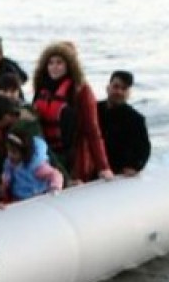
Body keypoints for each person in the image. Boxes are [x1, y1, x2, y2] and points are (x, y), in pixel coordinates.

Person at [32, 41, 114, 184]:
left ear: (69, 65)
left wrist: (103, 166)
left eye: (59, 63)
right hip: (46, 156)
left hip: (73, 156)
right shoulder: (42, 87)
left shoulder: (81, 90)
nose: (54, 67)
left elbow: (92, 129)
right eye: (50, 63)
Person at [97, 70, 151, 176]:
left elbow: (144, 149)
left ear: (129, 93)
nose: (119, 92)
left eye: (124, 89)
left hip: (118, 174)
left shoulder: (136, 119)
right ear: (108, 88)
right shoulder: (93, 110)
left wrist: (135, 166)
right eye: (116, 87)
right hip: (93, 171)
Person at [1, 126, 64, 202]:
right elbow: (7, 175)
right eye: (8, 151)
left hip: (36, 199)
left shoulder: (37, 167)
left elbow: (55, 174)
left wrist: (54, 188)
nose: (10, 155)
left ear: (24, 153)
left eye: (14, 152)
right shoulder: (10, 163)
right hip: (18, 198)